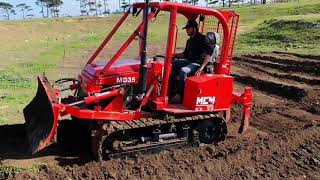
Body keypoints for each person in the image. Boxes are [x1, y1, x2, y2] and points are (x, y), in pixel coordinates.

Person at [169, 19, 213, 102]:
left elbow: (209, 53)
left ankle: (180, 95)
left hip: (197, 64)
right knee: (170, 64)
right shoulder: (189, 41)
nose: (186, 31)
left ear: (194, 29)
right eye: (186, 29)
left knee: (183, 71)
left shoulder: (203, 39)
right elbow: (185, 54)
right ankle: (170, 91)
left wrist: (201, 68)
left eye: (188, 29)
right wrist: (174, 55)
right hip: (188, 61)